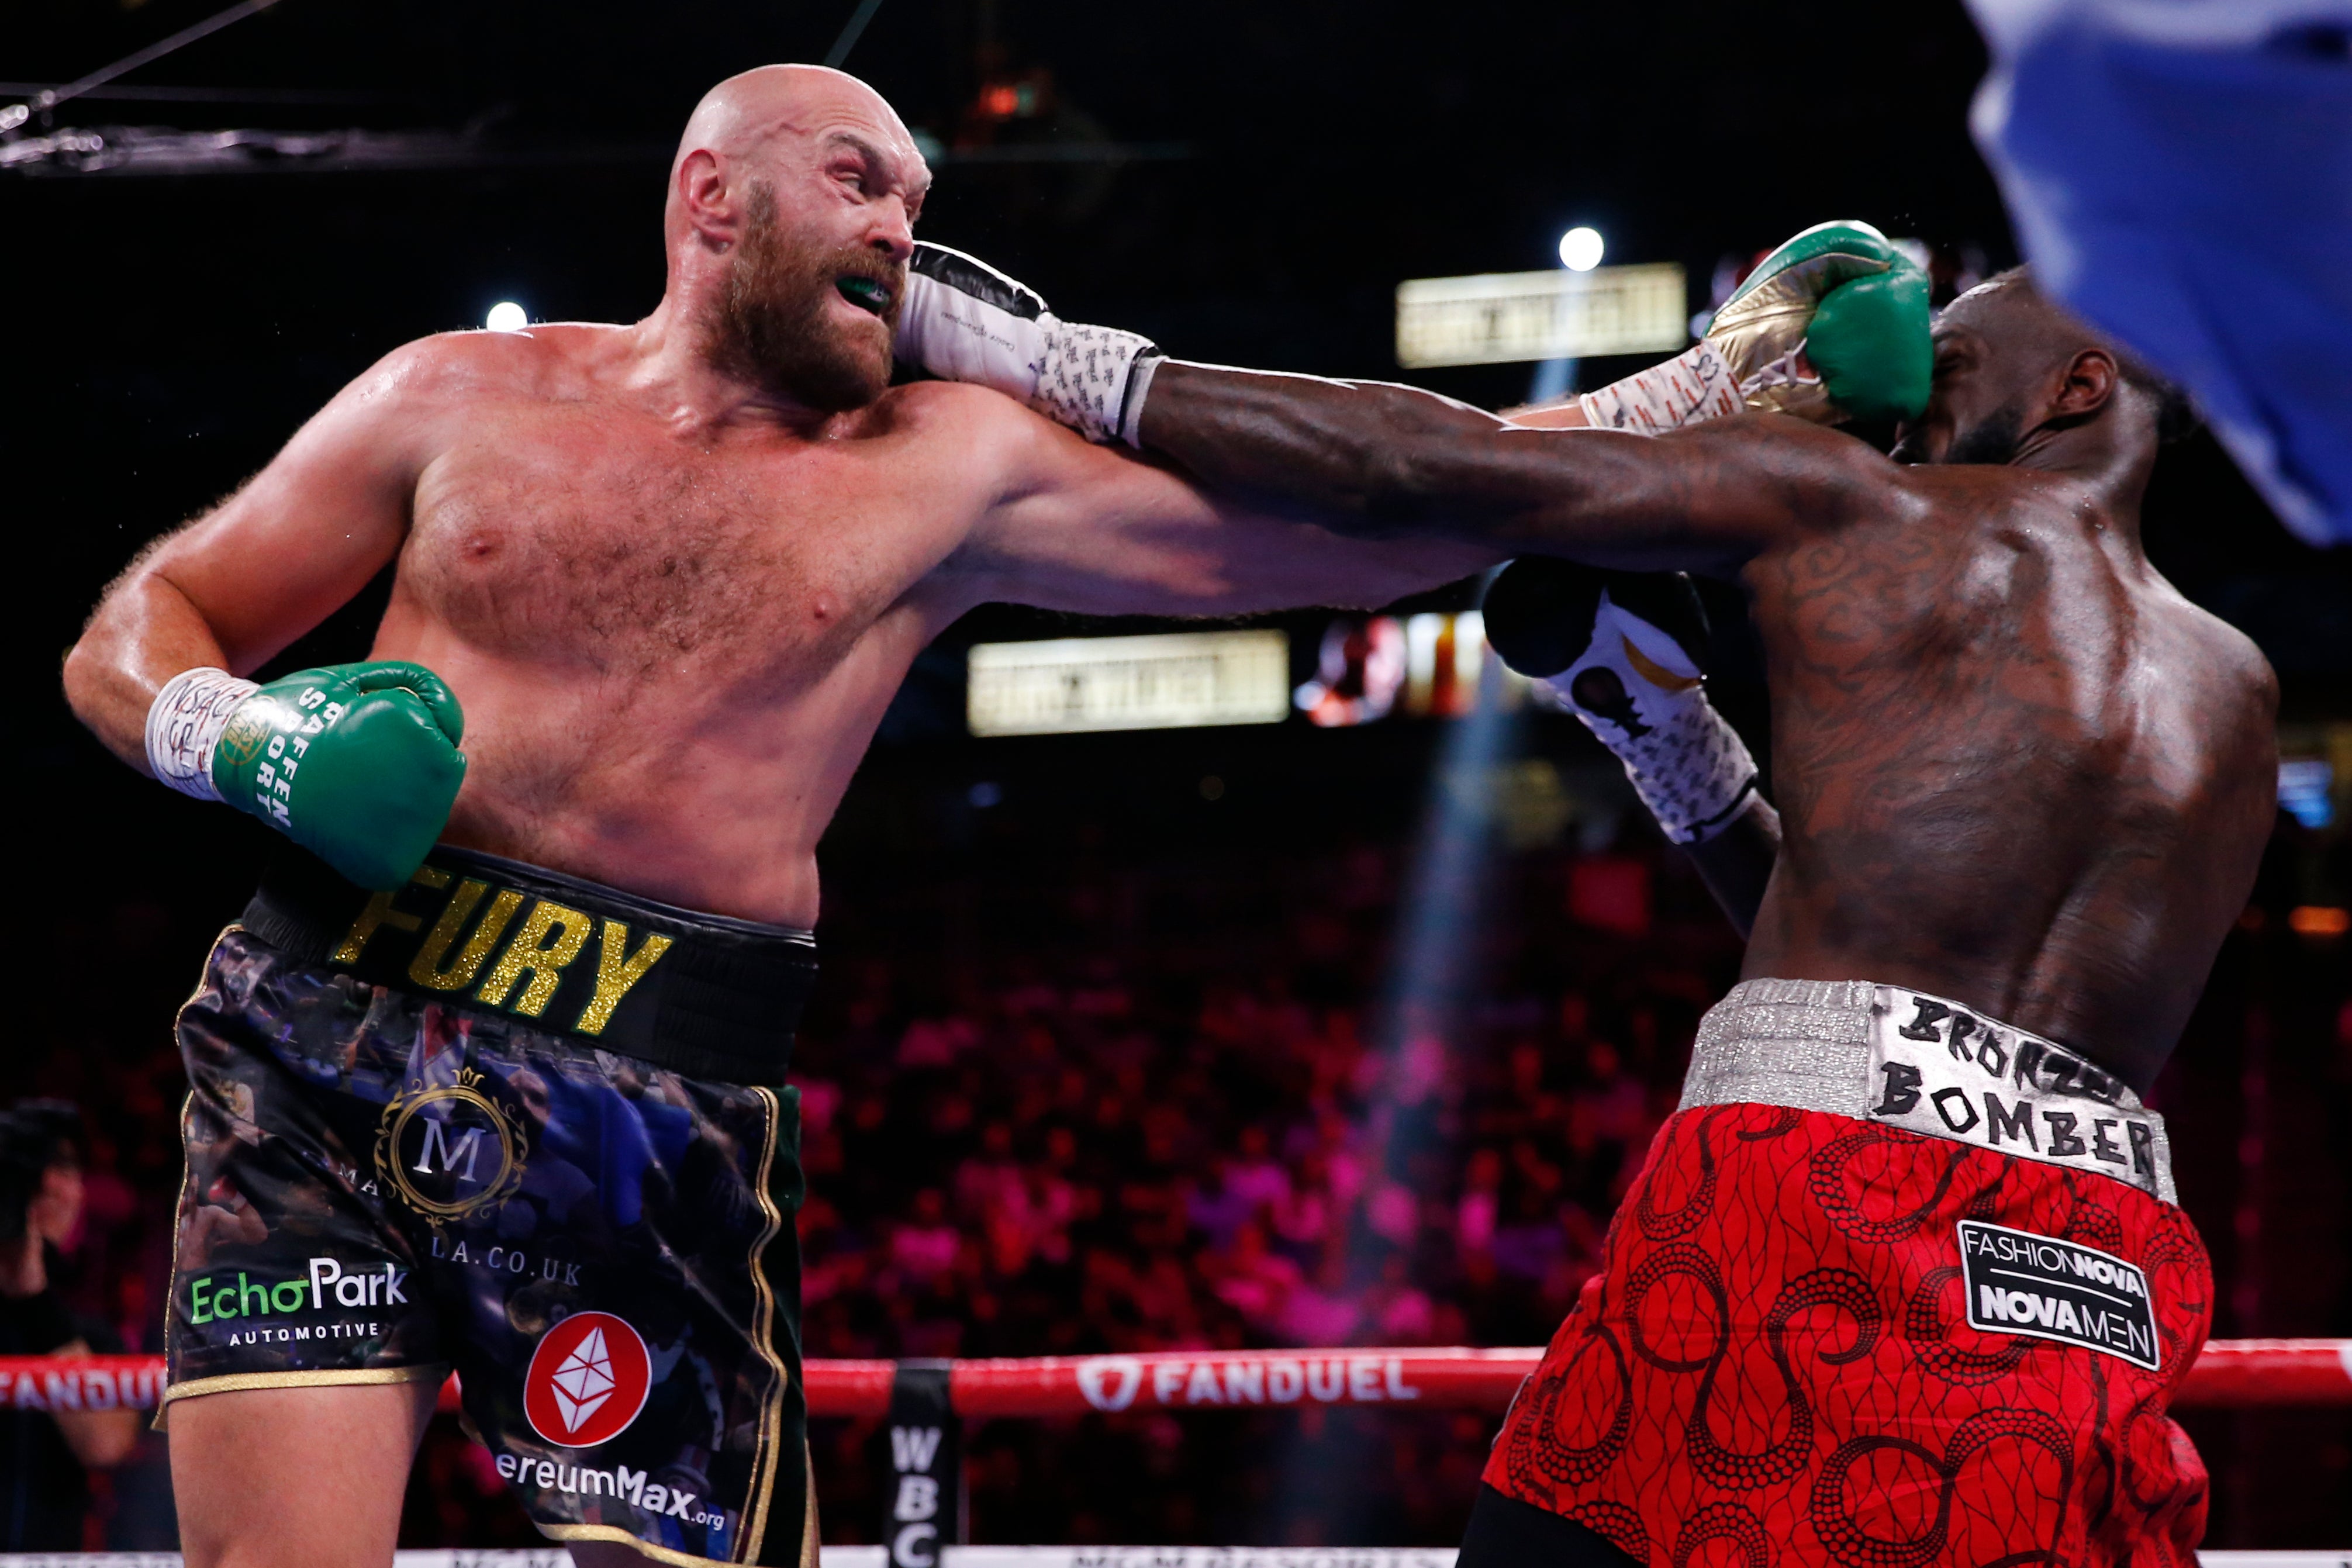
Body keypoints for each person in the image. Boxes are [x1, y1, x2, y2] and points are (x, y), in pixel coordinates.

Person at [58, 63, 1515, 1568]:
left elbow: (1338, 538)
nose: (899, 226)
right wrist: (246, 740)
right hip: (321, 1037)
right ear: (710, 195)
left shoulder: (948, 463)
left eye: (913, 202)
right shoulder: (455, 394)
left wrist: (1669, 419)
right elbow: (146, 620)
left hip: (640, 1093)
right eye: (855, 178)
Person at [894, 263, 2275, 1562]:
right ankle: (1670, 739)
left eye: (1952, 369)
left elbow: (1406, 464)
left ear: (2075, 389)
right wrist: (1689, 767)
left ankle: (1663, 731)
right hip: (2094, 1267)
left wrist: (1029, 357)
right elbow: (1915, 993)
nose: (1907, 405)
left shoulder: (1855, 504)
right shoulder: (2235, 693)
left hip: (1806, 1194)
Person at [0, 1101, 143, 1551]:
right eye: (34, 1174)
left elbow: (106, 1445)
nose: (53, 1188)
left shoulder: (91, 1335)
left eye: (65, 1168)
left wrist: (31, 1297)